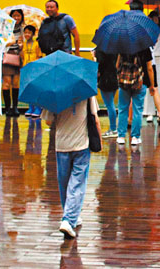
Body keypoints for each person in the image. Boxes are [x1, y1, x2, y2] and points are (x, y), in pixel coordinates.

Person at [43, 95, 101, 239]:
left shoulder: (54, 94)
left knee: (64, 182)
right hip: (81, 143)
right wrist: (99, 139)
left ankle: (70, 215)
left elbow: (48, 121)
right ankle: (69, 219)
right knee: (77, 183)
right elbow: (95, 118)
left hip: (62, 144)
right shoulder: (87, 92)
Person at [116, 48, 154, 146]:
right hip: (140, 83)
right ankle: (135, 137)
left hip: (124, 82)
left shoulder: (123, 46)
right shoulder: (145, 48)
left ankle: (121, 136)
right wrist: (152, 85)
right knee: (138, 110)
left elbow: (117, 65)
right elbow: (149, 68)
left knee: (122, 109)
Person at [143, 8, 160, 129]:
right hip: (149, 60)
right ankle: (149, 112)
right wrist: (148, 20)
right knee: (150, 87)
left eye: (156, 20)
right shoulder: (146, 33)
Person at [1, 9, 24, 117]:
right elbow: (1, 43)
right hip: (7, 56)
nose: (16, 18)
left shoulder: (24, 29)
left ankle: (15, 107)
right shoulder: (5, 29)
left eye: (18, 16)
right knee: (6, 82)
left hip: (18, 55)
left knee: (16, 82)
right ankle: (7, 108)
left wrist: (22, 44)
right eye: (14, 16)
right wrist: (14, 42)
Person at [20, 25, 44, 118]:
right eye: (25, 32)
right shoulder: (23, 44)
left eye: (29, 32)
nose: (27, 34)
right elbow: (22, 57)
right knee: (28, 89)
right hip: (26, 69)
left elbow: (40, 56)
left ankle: (38, 108)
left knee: (36, 89)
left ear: (33, 34)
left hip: (35, 69)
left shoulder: (37, 44)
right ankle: (31, 107)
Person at [96, 49, 119, 138]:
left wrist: (95, 56)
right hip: (114, 77)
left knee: (109, 105)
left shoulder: (101, 49)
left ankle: (113, 129)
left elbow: (100, 65)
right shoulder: (116, 48)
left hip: (105, 79)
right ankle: (114, 128)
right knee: (111, 103)